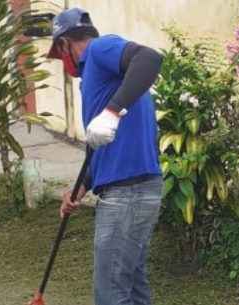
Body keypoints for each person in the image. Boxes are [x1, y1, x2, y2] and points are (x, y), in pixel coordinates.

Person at [46, 7, 164, 305]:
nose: (64, 65)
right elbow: (99, 148)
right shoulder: (98, 80)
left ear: (65, 44)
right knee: (132, 288)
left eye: (60, 57)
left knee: (110, 293)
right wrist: (80, 188)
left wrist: (111, 112)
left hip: (129, 193)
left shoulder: (99, 49)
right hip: (136, 189)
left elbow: (149, 58)